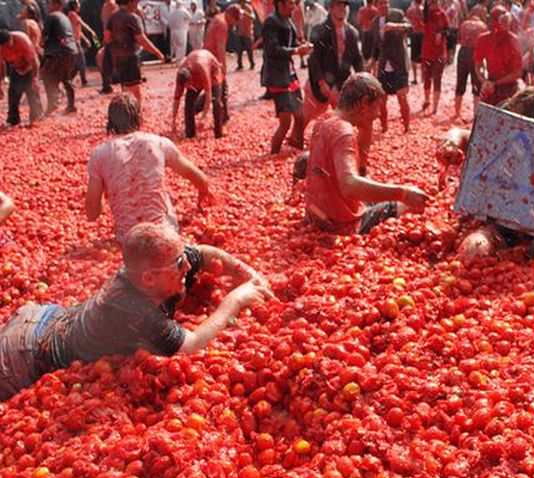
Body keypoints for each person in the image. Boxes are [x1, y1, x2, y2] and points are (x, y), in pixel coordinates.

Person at [0, 223, 273, 403]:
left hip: (46, 318)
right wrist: (235, 300)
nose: (188, 265)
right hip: (23, 358)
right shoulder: (135, 312)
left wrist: (249, 274)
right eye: (179, 263)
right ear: (149, 279)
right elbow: (191, 346)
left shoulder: (160, 267)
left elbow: (203, 253)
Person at [435, 86, 534, 279]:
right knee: (472, 253)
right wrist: (450, 143)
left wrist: (520, 251)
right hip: (495, 226)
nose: (508, 127)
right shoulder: (507, 132)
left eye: (515, 123)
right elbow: (461, 134)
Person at [305, 72, 429, 234]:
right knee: (406, 203)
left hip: (317, 215)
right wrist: (403, 193)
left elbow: (359, 170)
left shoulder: (325, 120)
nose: (378, 114)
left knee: (374, 194)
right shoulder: (343, 131)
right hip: (339, 225)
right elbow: (349, 186)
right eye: (377, 106)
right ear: (364, 103)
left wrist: (366, 126)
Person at [87, 94, 210, 242]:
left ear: (110, 122)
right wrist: (203, 191)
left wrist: (105, 189)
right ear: (139, 117)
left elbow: (92, 213)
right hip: (165, 232)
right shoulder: (158, 143)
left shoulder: (100, 154)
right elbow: (200, 179)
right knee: (163, 192)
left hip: (128, 240)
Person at [303, 0, 364, 136]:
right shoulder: (320, 30)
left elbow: (357, 59)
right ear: (330, 8)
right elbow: (313, 58)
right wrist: (320, 81)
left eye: (344, 5)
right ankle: (295, 140)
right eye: (338, 5)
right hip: (320, 82)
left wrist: (363, 79)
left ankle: (338, 142)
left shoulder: (352, 32)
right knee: (305, 117)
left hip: (341, 82)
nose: (342, 8)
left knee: (345, 117)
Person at [264, 0, 312, 153]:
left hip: (290, 74)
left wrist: (301, 43)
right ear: (281, 4)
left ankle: (296, 146)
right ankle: (273, 154)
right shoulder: (271, 22)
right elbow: (272, 49)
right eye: (290, 3)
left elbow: (291, 41)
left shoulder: (287, 19)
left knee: (300, 116)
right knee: (285, 122)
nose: (294, 7)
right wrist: (296, 50)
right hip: (278, 77)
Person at [105, 0, 165, 105]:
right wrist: (157, 52)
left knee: (125, 89)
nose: (136, 6)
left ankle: (128, 115)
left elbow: (107, 37)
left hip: (118, 58)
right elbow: (141, 39)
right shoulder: (132, 18)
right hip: (131, 58)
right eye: (136, 3)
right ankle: (137, 116)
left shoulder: (112, 17)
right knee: (135, 91)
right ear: (130, 2)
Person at [369, 0, 412, 132]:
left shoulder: (397, 14)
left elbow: (411, 27)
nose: (384, 5)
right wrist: (372, 60)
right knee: (382, 100)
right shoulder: (375, 22)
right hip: (383, 66)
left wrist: (395, 26)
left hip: (398, 63)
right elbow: (376, 46)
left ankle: (406, 127)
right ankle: (384, 127)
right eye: (381, 3)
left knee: (402, 98)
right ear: (376, 6)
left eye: (386, 2)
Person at [473, 6, 522, 106]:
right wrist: (483, 81)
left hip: (510, 87)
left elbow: (517, 72)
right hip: (490, 85)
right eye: (503, 21)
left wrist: (496, 83)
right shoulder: (483, 39)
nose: (507, 24)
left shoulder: (514, 40)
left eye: (507, 20)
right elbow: (478, 65)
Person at [172, 49, 225, 138]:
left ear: (191, 78)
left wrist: (203, 118)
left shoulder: (202, 69)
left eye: (188, 85)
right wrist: (173, 120)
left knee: (216, 102)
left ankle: (218, 133)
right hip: (195, 68)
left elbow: (209, 95)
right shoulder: (180, 75)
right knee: (188, 103)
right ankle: (190, 134)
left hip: (212, 71)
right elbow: (176, 99)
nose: (187, 88)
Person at [41, 0, 78, 115]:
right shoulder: (65, 17)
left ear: (57, 5)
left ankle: (52, 104)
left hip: (58, 52)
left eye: (50, 3)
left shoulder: (51, 16)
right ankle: (71, 106)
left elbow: (43, 37)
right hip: (71, 51)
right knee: (66, 78)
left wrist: (40, 46)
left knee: (47, 75)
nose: (48, 6)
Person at [0, 29, 43, 127]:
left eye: (7, 44)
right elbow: (1, 65)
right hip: (16, 68)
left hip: (30, 68)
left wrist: (35, 79)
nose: (6, 48)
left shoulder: (22, 40)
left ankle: (37, 117)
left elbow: (35, 62)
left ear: (11, 38)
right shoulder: (1, 48)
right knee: (13, 93)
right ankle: (13, 119)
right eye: (3, 46)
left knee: (32, 92)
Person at [454, 7, 487, 120]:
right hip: (476, 53)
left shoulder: (464, 24)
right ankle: (476, 113)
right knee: (477, 85)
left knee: (460, 82)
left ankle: (457, 113)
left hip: (463, 52)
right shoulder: (482, 26)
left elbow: (458, 39)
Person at [420, 0, 449, 113]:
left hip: (439, 51)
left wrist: (441, 34)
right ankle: (427, 100)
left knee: (437, 78)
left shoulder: (442, 14)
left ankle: (435, 107)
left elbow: (447, 30)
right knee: (427, 77)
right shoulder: (425, 13)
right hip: (427, 50)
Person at [67, 0, 94, 86]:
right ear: (74, 6)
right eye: (78, 4)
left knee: (77, 62)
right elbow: (81, 24)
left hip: (76, 41)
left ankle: (69, 80)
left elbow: (78, 30)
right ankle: (84, 81)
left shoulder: (74, 15)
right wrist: (91, 31)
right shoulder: (72, 14)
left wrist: (85, 39)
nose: (79, 6)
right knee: (81, 61)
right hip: (74, 42)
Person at [98, 0, 118, 93]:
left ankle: (107, 86)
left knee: (106, 60)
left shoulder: (111, 4)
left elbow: (113, 23)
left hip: (113, 39)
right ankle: (107, 86)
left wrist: (108, 37)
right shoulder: (106, 5)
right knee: (105, 61)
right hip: (110, 38)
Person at [406, 0, 423, 85]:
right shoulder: (423, 9)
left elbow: (408, 22)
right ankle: (423, 77)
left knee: (413, 57)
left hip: (414, 33)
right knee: (423, 56)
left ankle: (415, 78)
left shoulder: (410, 10)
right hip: (423, 33)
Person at [236, 0, 256, 70]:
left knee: (249, 49)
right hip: (240, 31)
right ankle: (239, 64)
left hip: (248, 32)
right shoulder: (238, 8)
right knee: (239, 49)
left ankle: (252, 63)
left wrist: (245, 13)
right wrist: (235, 26)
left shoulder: (248, 8)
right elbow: (236, 19)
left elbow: (253, 17)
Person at [356, 0, 377, 66]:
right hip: (373, 32)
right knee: (373, 53)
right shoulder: (375, 10)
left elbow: (359, 21)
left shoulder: (362, 10)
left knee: (365, 54)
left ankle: (366, 69)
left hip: (365, 31)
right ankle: (374, 71)